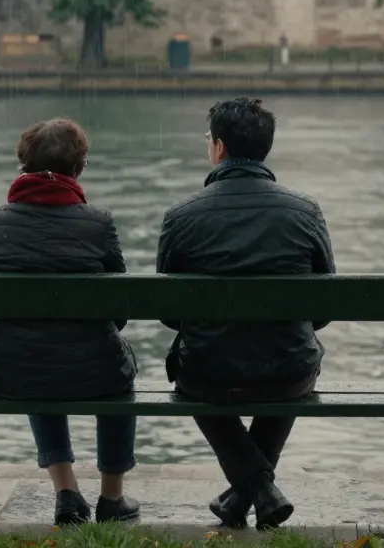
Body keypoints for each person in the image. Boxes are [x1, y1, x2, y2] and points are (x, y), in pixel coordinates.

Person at [156, 97, 335, 530]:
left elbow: (166, 311)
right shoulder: (304, 211)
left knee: (193, 376)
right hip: (286, 371)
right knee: (296, 357)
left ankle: (252, 491)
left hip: (208, 374)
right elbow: (324, 309)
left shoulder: (181, 216)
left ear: (218, 148)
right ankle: (258, 491)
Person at [0, 118, 140, 526]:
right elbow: (119, 304)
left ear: (22, 168)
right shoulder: (98, 222)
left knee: (33, 351)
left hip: (13, 371)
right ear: (79, 168)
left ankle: (66, 493)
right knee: (118, 376)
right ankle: (112, 498)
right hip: (95, 370)